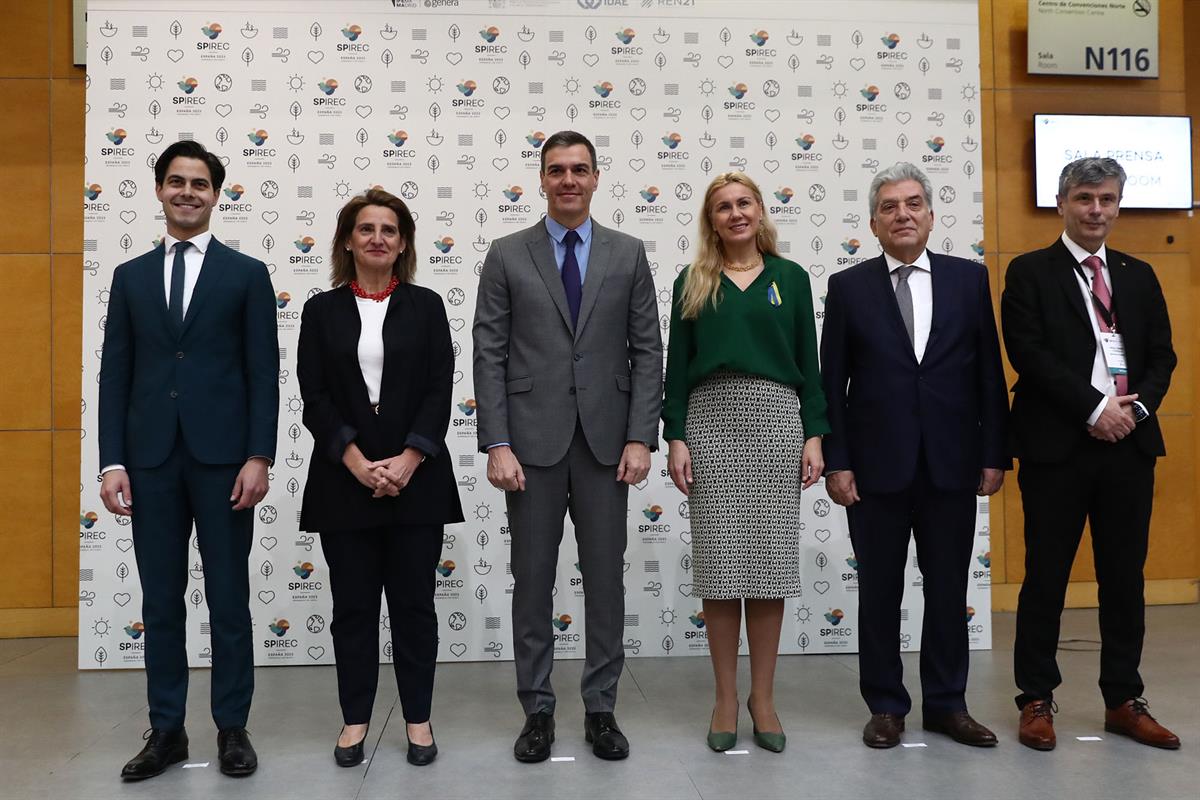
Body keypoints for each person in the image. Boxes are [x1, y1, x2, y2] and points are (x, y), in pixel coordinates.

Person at [472, 130, 662, 763]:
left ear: (597, 177)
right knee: (532, 581)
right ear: (542, 178)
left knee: (605, 579)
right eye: (557, 170)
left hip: (609, 445)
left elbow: (647, 352)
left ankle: (602, 708)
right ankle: (538, 710)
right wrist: (496, 442)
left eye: (580, 169)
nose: (569, 180)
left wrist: (641, 436)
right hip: (530, 445)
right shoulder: (505, 255)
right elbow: (489, 353)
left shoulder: (629, 253)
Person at [98, 140, 279, 780]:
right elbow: (114, 374)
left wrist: (260, 455)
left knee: (229, 598)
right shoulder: (130, 277)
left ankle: (233, 728)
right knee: (161, 602)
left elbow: (264, 373)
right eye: (176, 182)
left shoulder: (247, 275)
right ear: (158, 191)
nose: (187, 192)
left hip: (225, 461)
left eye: (200, 184)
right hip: (149, 464)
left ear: (216, 194)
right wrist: (111, 461)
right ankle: (167, 731)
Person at [820, 162, 1008, 749]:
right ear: (873, 224)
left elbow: (988, 376)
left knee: (950, 588)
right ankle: (886, 705)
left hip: (952, 463)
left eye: (913, 204)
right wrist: (837, 461)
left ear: (930, 214)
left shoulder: (968, 279)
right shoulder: (849, 287)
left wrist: (994, 452)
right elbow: (833, 385)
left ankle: (948, 704)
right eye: (889, 207)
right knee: (879, 589)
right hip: (874, 469)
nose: (902, 214)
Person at [1002, 157, 1179, 751]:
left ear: (1119, 205)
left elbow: (1162, 357)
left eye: (1106, 199)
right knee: (1045, 578)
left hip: (1130, 445)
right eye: (1083, 198)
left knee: (1124, 579)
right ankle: (1035, 698)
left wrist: (1134, 411)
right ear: (1061, 203)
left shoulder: (1139, 273)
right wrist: (1093, 408)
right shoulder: (1030, 272)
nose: (1095, 210)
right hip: (1058, 448)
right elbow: (1028, 352)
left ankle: (1123, 698)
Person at [297, 189, 464, 767]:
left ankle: (418, 720)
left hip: (416, 483)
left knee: (415, 607)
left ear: (403, 244)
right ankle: (355, 721)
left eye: (389, 230)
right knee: (354, 610)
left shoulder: (427, 305)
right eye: (365, 228)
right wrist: (355, 460)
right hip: (344, 484)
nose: (376, 238)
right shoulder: (320, 309)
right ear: (348, 240)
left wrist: (409, 459)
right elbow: (313, 398)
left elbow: (439, 390)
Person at [662, 172, 828, 753]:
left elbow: (810, 361)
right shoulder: (694, 280)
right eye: (723, 207)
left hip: (776, 420)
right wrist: (676, 435)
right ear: (711, 220)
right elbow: (676, 369)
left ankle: (764, 698)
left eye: (744, 203)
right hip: (711, 423)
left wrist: (815, 433)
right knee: (719, 567)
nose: (735, 214)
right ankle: (726, 699)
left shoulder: (791, 278)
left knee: (766, 567)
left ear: (761, 210)